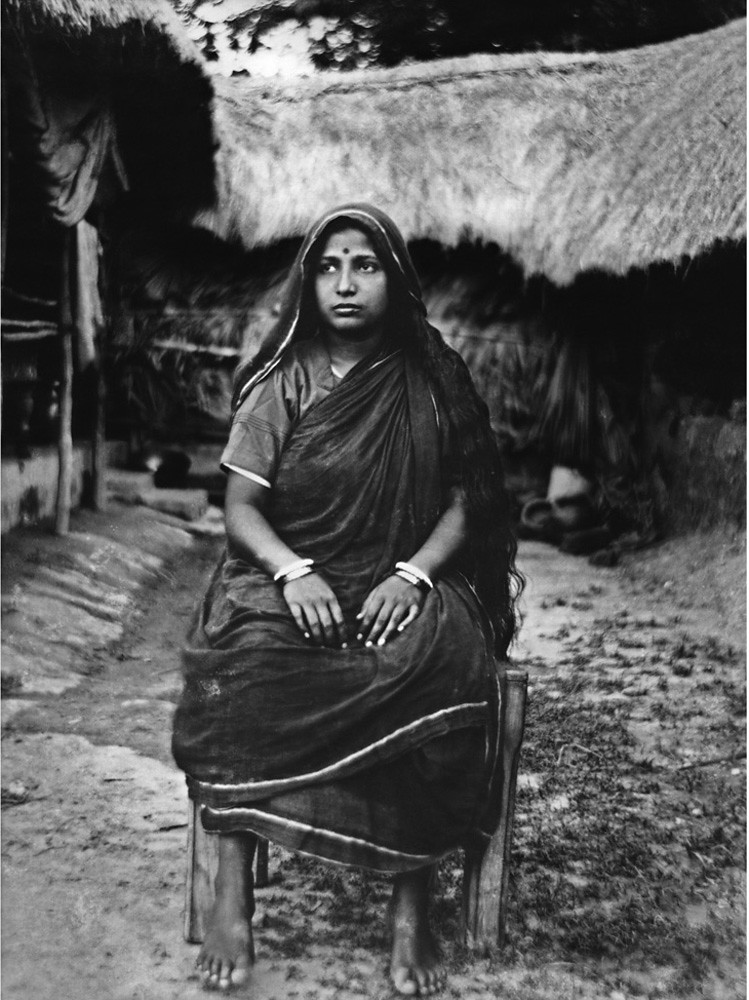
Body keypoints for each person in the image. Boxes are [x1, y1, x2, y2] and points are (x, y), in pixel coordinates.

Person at [172, 204, 521, 995]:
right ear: (307, 283)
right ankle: (232, 891)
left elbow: (467, 500)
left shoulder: (434, 383)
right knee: (246, 662)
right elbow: (240, 510)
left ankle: (409, 908)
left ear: (393, 281)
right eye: (329, 267)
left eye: (364, 265)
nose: (345, 284)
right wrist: (293, 572)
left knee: (432, 664)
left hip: (403, 577)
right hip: (286, 575)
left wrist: (416, 574)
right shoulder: (280, 383)